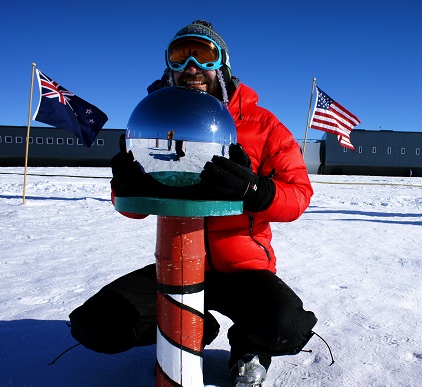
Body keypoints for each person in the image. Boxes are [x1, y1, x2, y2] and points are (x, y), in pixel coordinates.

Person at [69, 20, 317, 386]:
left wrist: (255, 191)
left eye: (203, 55)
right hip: (177, 259)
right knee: (98, 325)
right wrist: (125, 185)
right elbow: (132, 208)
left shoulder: (263, 126)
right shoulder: (153, 120)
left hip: (241, 267)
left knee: (286, 326)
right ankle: (193, 328)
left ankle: (248, 348)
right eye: (180, 56)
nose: (191, 67)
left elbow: (298, 195)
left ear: (222, 65)